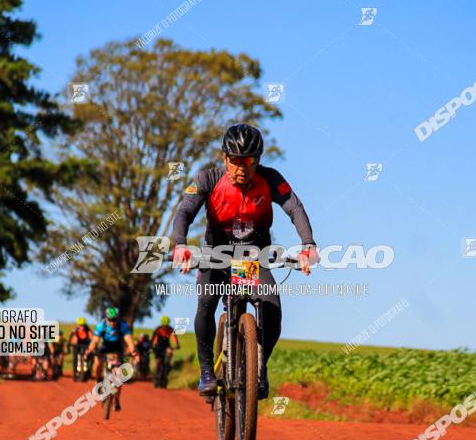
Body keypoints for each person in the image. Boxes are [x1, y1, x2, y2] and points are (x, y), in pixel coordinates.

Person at [171, 123, 318, 399]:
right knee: (205, 305)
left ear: (258, 160)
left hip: (253, 259)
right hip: (216, 256)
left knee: (272, 312)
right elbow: (184, 212)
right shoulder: (208, 179)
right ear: (225, 158)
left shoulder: (271, 179)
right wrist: (180, 245)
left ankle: (258, 368)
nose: (242, 167)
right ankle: (206, 372)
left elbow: (294, 208)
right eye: (236, 160)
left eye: (249, 161)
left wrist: (308, 244)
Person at [86, 307, 136, 411]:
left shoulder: (123, 326)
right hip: (105, 346)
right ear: (106, 318)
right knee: (97, 362)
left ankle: (116, 399)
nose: (112, 322)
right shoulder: (101, 326)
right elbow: (95, 340)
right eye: (110, 320)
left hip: (118, 348)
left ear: (118, 319)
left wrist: (133, 350)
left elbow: (129, 340)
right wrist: (90, 349)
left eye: (114, 320)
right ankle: (98, 380)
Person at [151, 316, 180, 388]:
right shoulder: (158, 329)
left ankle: (168, 364)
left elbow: (174, 337)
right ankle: (156, 377)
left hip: (166, 346)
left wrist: (177, 345)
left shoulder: (170, 329)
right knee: (158, 362)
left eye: (166, 326)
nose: (165, 327)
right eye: (164, 326)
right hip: (158, 347)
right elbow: (154, 339)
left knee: (169, 352)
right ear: (162, 324)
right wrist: (153, 346)